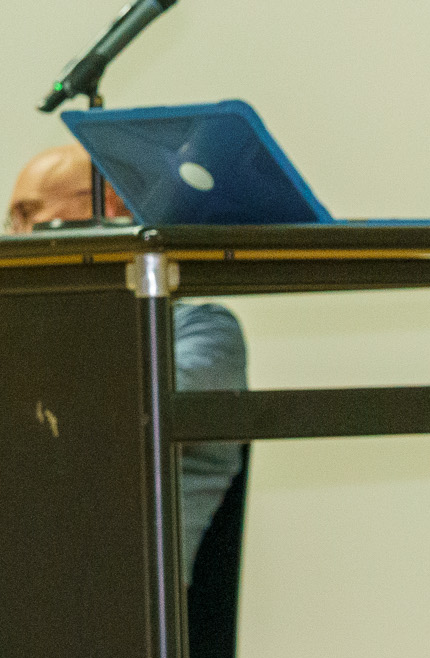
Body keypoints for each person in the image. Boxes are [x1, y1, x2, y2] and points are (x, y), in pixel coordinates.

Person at [7, 144, 249, 583]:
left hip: (109, 597)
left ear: (110, 205)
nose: (15, 233)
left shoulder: (200, 330)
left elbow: (121, 419)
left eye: (27, 212)